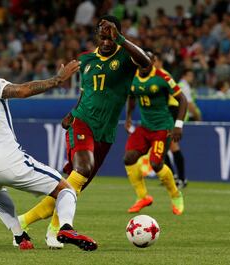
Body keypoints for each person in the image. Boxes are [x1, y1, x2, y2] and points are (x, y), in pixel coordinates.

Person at [17, 15, 152, 249]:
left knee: (71, 188)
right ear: (97, 37)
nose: (107, 38)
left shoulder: (126, 57)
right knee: (83, 168)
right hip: (83, 122)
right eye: (103, 34)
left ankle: (29, 224)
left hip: (106, 132)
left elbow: (147, 62)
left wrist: (120, 38)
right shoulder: (85, 60)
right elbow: (85, 91)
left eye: (111, 34)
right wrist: (73, 112)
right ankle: (61, 229)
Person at [0, 54, 97, 251]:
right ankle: (65, 228)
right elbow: (22, 91)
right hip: (10, 162)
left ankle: (20, 236)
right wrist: (58, 79)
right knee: (66, 190)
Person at [124, 53, 188, 215]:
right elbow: (131, 97)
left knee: (156, 163)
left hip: (162, 127)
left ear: (153, 62)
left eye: (148, 60)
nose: (144, 63)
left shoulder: (162, 77)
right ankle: (143, 197)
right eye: (141, 61)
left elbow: (183, 100)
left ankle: (175, 195)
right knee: (129, 158)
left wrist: (178, 125)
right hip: (145, 127)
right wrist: (129, 117)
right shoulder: (132, 77)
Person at [152, 52, 188, 189]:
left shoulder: (163, 75)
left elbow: (168, 96)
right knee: (163, 145)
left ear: (159, 62)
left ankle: (182, 178)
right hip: (164, 111)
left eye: (154, 61)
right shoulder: (153, 75)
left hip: (170, 109)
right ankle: (172, 176)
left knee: (172, 145)